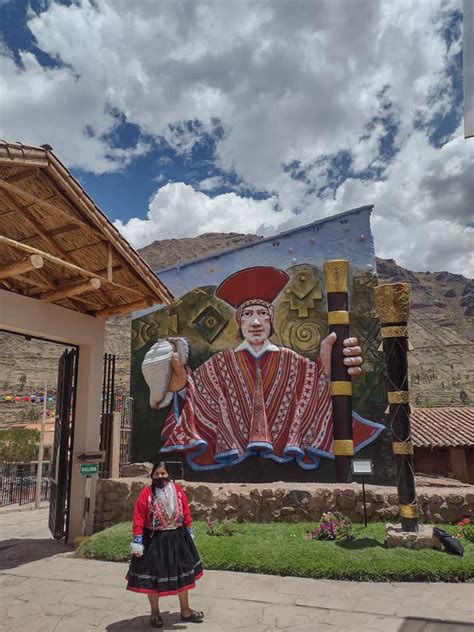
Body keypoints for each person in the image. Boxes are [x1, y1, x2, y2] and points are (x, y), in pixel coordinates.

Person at [153, 266, 384, 470]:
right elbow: (198, 395)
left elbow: (316, 391)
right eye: (248, 315)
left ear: (271, 320)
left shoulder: (293, 361)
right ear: (239, 322)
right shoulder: (219, 363)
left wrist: (329, 368)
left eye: (262, 314)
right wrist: (181, 386)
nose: (255, 323)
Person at [126, 461, 204, 628]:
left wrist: (188, 529)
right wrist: (138, 540)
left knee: (183, 575)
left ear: (168, 474)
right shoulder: (146, 494)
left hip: (177, 538)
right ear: (152, 476)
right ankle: (155, 613)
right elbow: (139, 517)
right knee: (153, 579)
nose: (160, 477)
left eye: (163, 473)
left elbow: (186, 511)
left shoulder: (177, 491)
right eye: (157, 474)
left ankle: (186, 611)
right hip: (154, 539)